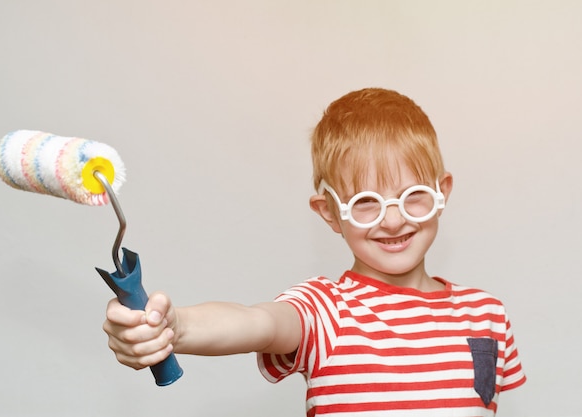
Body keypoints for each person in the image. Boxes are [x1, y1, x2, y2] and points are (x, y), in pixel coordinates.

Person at [103, 88, 526, 416]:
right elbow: (259, 322)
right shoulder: (327, 311)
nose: (393, 220)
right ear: (329, 214)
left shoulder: (486, 314)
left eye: (412, 196)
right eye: (365, 202)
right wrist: (177, 327)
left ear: (441, 192)